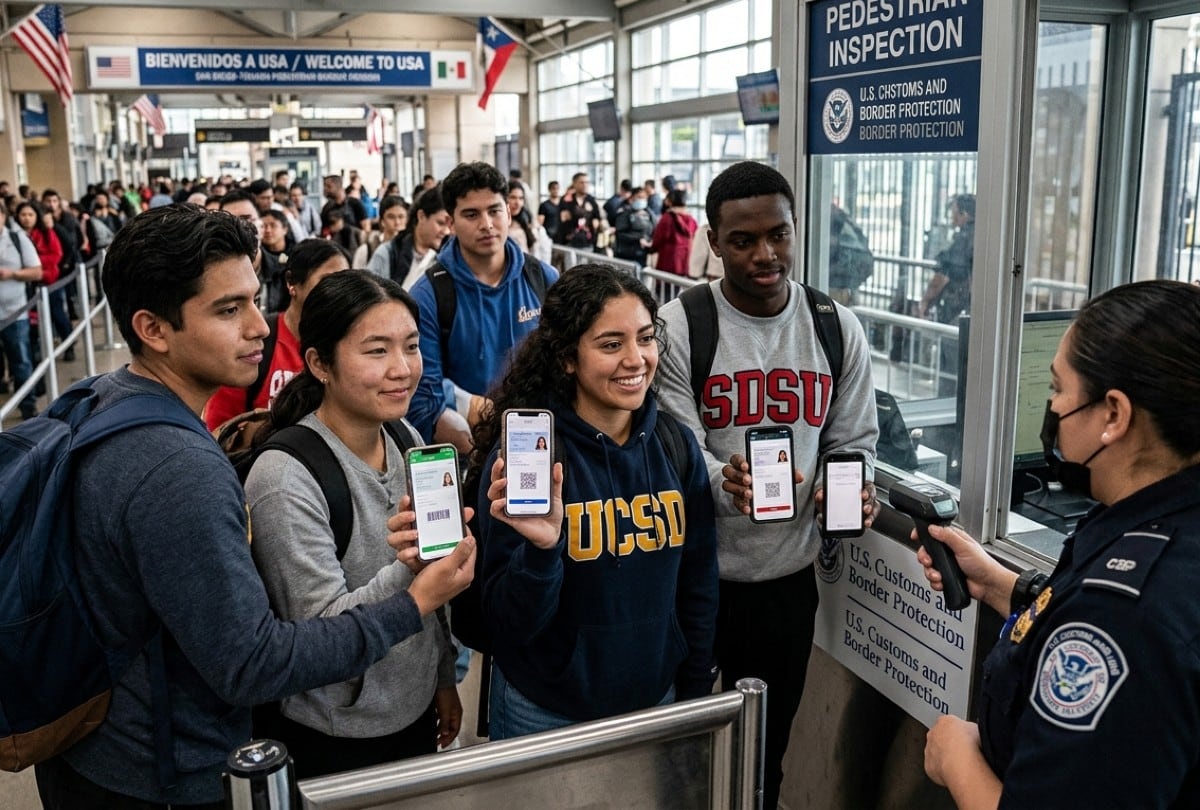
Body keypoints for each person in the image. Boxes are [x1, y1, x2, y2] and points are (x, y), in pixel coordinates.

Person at [32, 204, 475, 809]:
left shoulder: (106, 398)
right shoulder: (178, 468)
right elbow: (253, 663)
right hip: (156, 774)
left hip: (120, 747)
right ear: (153, 328)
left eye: (252, 299)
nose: (262, 328)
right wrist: (414, 596)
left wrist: (437, 668)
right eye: (228, 309)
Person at [917, 279, 1200, 809]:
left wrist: (958, 760)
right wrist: (1000, 583)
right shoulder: (1158, 524)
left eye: (1057, 389)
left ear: (1114, 415)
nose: (1051, 406)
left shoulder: (1121, 619)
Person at [655, 161, 879, 810]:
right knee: (682, 741)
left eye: (778, 235)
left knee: (765, 748)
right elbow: (675, 449)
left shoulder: (836, 326)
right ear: (716, 242)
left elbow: (854, 441)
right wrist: (723, 481)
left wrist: (852, 487)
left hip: (786, 580)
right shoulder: (681, 325)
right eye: (744, 240)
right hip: (694, 576)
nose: (765, 254)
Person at [474, 264, 718, 739]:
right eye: (611, 344)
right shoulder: (530, 460)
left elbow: (698, 583)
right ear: (567, 357)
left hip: (657, 702)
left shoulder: (676, 445)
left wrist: (694, 692)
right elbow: (507, 624)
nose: (636, 359)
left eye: (645, 339)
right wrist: (543, 553)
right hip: (543, 713)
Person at [244, 270, 460, 778]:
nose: (403, 369)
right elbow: (320, 636)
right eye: (376, 350)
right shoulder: (284, 479)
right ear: (319, 363)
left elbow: (434, 582)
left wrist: (442, 675)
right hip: (334, 734)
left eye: (412, 346)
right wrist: (411, 572)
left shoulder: (405, 436)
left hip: (414, 707)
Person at [408, 161, 558, 448]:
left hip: (542, 441)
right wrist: (476, 410)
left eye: (494, 210)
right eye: (471, 214)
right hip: (470, 450)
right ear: (450, 223)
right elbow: (423, 390)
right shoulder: (429, 295)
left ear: (509, 211)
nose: (486, 224)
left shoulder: (542, 278)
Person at [204, 239, 351, 431]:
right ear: (292, 283)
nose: (338, 292)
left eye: (345, 281)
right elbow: (222, 428)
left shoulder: (349, 346)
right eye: (327, 281)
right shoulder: (256, 340)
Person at [0, 203, 45, 419]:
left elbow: (37, 272)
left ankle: (28, 406)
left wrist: (11, 274)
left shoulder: (17, 239)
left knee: (20, 359)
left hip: (15, 313)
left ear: (3, 216)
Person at [369, 185, 452, 290]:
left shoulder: (445, 257)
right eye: (440, 223)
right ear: (421, 216)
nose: (446, 231)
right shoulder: (388, 253)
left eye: (449, 225)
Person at [919, 193, 975, 323]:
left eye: (954, 212)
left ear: (964, 214)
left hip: (959, 308)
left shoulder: (964, 239)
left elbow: (943, 276)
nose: (951, 216)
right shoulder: (979, 235)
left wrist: (925, 301)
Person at [650, 188, 697, 276]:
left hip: (667, 263)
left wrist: (651, 248)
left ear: (671, 202)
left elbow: (658, 240)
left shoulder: (667, 218)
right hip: (685, 263)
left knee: (664, 289)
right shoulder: (692, 220)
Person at [506, 181, 552, 265]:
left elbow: (542, 250)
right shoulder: (499, 224)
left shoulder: (528, 221)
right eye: (513, 197)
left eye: (521, 198)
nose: (517, 203)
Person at [355, 195, 408, 269]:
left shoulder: (412, 250)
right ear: (382, 221)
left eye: (401, 217)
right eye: (391, 217)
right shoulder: (366, 250)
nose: (397, 222)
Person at [555, 172, 601, 251]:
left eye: (587, 182)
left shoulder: (591, 200)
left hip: (587, 242)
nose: (585, 185)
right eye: (581, 182)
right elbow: (564, 218)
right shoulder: (566, 200)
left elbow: (596, 218)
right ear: (574, 184)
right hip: (570, 242)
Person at [613, 186, 656, 266]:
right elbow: (620, 234)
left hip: (642, 254)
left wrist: (650, 241)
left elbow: (653, 230)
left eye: (643, 197)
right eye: (639, 197)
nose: (641, 200)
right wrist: (638, 239)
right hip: (626, 255)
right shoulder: (624, 213)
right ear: (632, 199)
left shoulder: (650, 214)